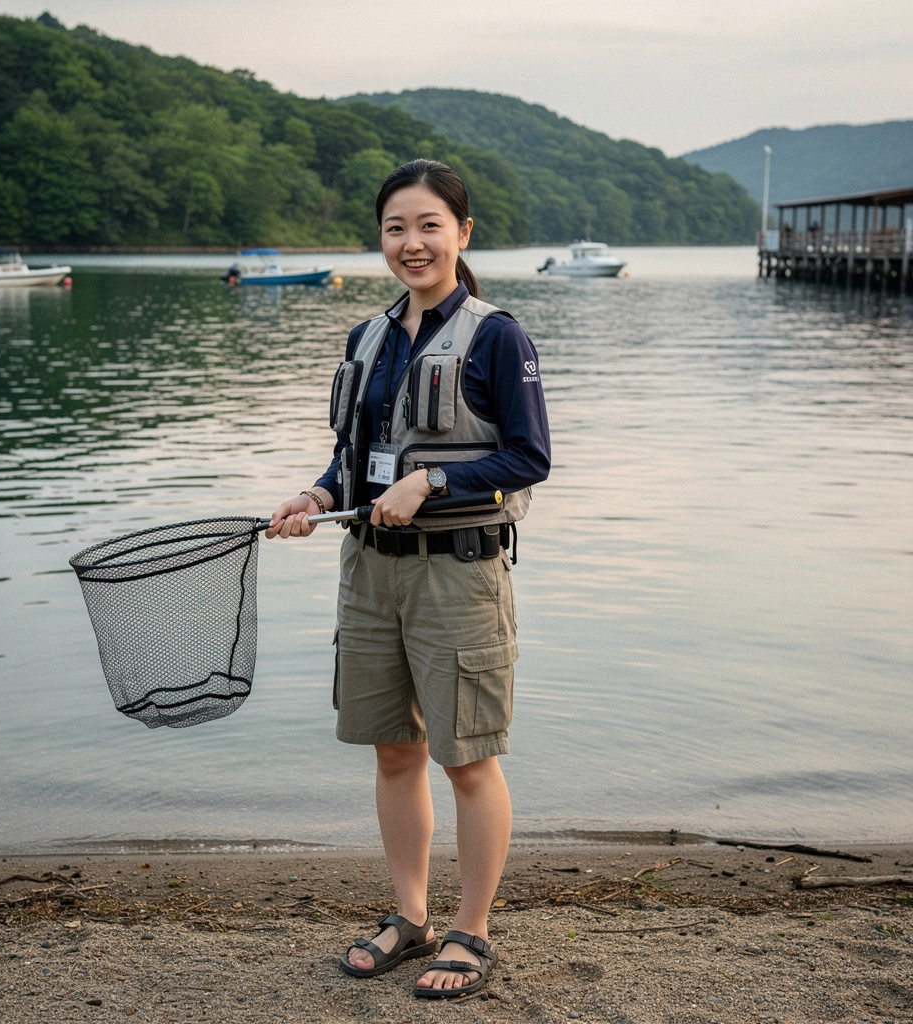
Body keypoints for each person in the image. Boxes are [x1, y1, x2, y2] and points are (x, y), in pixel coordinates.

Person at [266, 159, 550, 998]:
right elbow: (355, 456)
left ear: (463, 233)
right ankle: (411, 916)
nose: (412, 243)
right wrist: (318, 495)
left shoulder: (498, 335)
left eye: (430, 225)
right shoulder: (370, 334)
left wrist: (431, 482)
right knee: (396, 752)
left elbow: (530, 457)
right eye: (396, 227)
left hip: (457, 577)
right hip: (369, 575)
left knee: (468, 759)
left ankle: (472, 931)